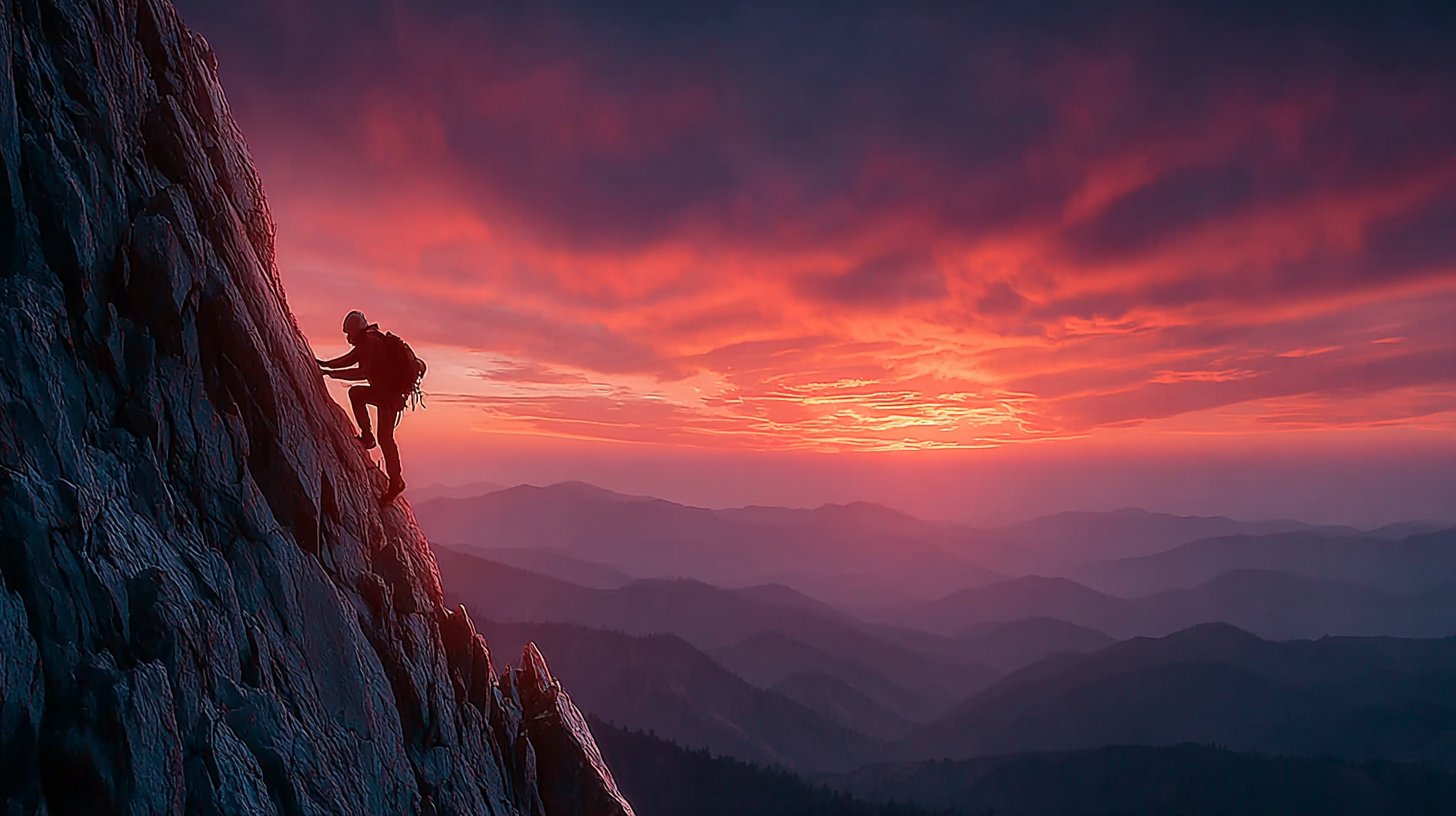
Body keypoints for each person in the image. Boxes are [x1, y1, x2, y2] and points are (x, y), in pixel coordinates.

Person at [317, 310, 410, 503]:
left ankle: (396, 482)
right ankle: (367, 436)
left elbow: (362, 373)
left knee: (385, 437)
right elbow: (349, 360)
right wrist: (326, 364)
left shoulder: (368, 342)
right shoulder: (368, 339)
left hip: (389, 396)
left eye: (348, 333)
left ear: (354, 331)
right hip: (386, 393)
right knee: (356, 394)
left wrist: (332, 374)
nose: (348, 337)